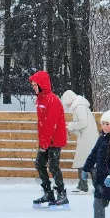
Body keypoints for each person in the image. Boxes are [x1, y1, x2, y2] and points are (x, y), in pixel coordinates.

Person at [30, 70, 68, 209]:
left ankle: (62, 194)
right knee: (39, 164)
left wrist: (44, 144)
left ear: (42, 85)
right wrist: (43, 142)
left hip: (55, 140)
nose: (33, 87)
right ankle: (48, 193)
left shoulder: (52, 100)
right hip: (46, 140)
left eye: (35, 85)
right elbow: (42, 124)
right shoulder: (41, 99)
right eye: (33, 85)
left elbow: (50, 124)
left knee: (53, 166)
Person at [61, 90, 99, 194]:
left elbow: (83, 123)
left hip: (87, 140)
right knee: (85, 163)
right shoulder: (80, 107)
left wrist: (70, 125)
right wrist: (71, 127)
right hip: (87, 139)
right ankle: (90, 185)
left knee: (85, 163)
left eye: (67, 102)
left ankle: (88, 186)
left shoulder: (79, 108)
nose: (67, 105)